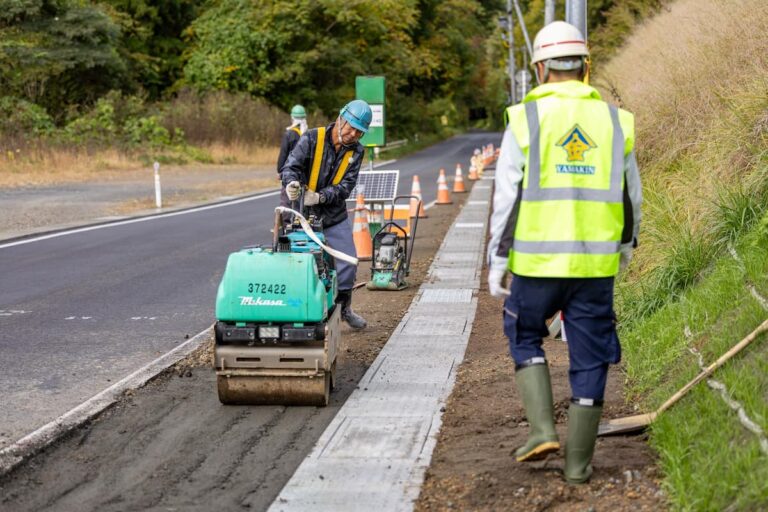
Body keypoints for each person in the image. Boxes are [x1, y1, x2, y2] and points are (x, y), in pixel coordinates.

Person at [487, 21, 642, 484]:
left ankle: (541, 431)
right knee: (591, 357)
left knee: (523, 330)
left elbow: (507, 198)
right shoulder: (615, 121)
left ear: (539, 68)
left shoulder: (526, 119)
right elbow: (630, 196)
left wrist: (498, 261)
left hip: (536, 264)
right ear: (585, 66)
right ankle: (578, 466)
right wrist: (625, 248)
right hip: (596, 265)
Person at [281, 99, 372, 330]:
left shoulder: (357, 152)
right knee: (299, 262)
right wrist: (291, 183)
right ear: (340, 118)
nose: (352, 134)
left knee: (347, 262)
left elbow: (346, 186)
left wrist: (321, 197)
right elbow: (291, 166)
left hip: (333, 214)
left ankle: (343, 309)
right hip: (302, 213)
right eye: (350, 127)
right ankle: (295, 311)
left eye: (359, 132)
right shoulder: (312, 138)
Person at [277, 104, 309, 224]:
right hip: (304, 173)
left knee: (286, 197)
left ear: (292, 118)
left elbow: (283, 155)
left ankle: (285, 224)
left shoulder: (289, 134)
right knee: (302, 199)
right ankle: (301, 222)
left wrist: (280, 171)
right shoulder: (308, 133)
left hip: (290, 172)